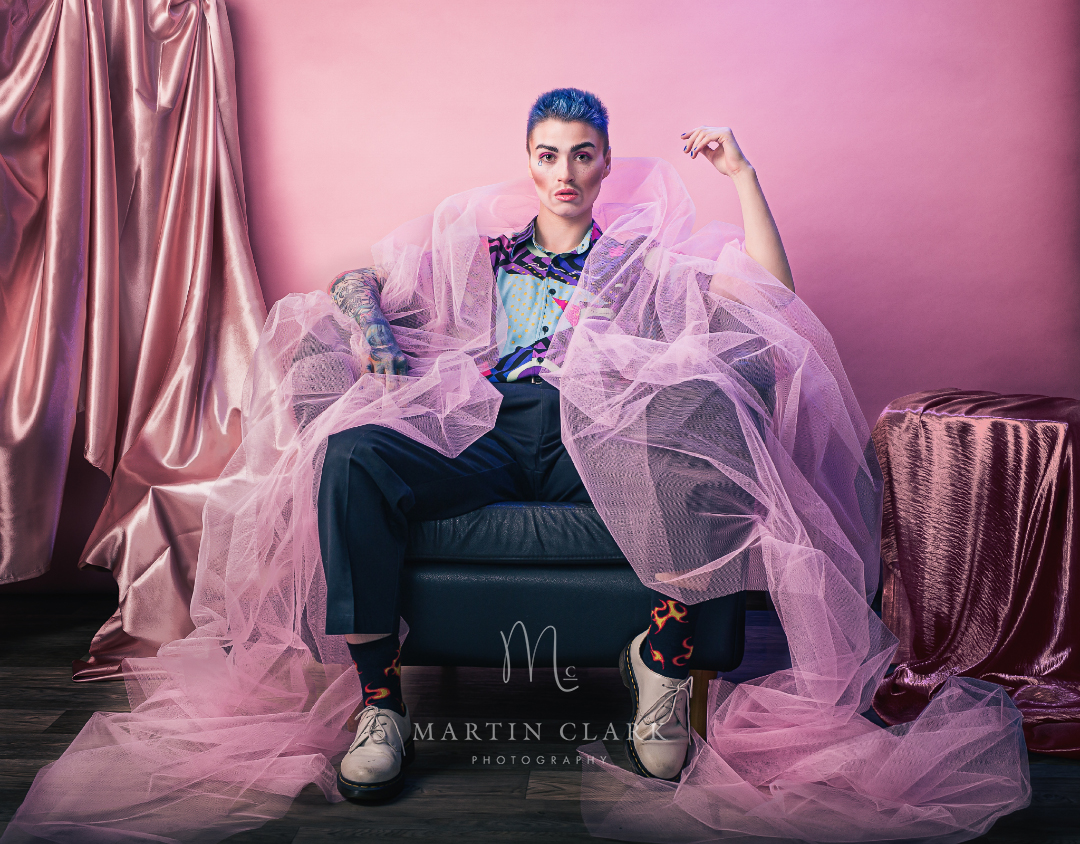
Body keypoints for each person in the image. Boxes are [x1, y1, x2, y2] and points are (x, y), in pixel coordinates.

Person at [318, 87, 796, 801]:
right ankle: (382, 707)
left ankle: (663, 660)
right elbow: (354, 280)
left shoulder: (637, 266)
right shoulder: (483, 257)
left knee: (709, 414)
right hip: (487, 428)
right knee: (355, 452)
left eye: (582, 155)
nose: (565, 172)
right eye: (549, 156)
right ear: (530, 164)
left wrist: (742, 174)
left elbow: (772, 296)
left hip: (597, 438)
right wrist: (378, 331)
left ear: (606, 165)